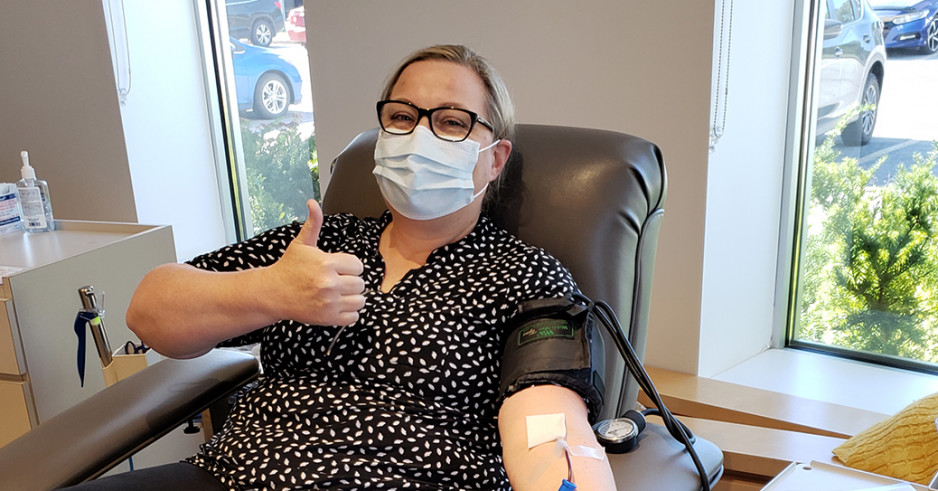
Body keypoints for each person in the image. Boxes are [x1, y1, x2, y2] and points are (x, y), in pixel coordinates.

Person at [79, 44, 615, 490]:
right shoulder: (321, 240)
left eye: (451, 122)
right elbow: (148, 311)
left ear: (495, 159)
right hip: (233, 473)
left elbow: (548, 424)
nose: (418, 136)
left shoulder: (522, 272)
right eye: (402, 117)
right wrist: (271, 291)